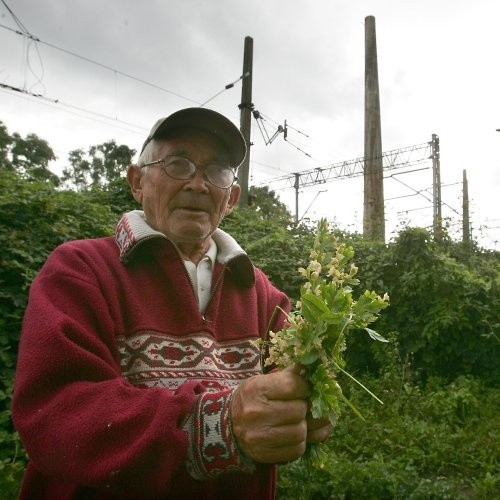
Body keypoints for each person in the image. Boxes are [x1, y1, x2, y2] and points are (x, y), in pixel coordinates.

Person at [12, 107, 332, 499]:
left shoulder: (261, 293)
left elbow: (300, 384)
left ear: (230, 198)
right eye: (179, 164)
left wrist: (308, 408)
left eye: (216, 171)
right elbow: (57, 413)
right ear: (137, 182)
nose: (198, 184)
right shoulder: (81, 270)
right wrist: (219, 425)